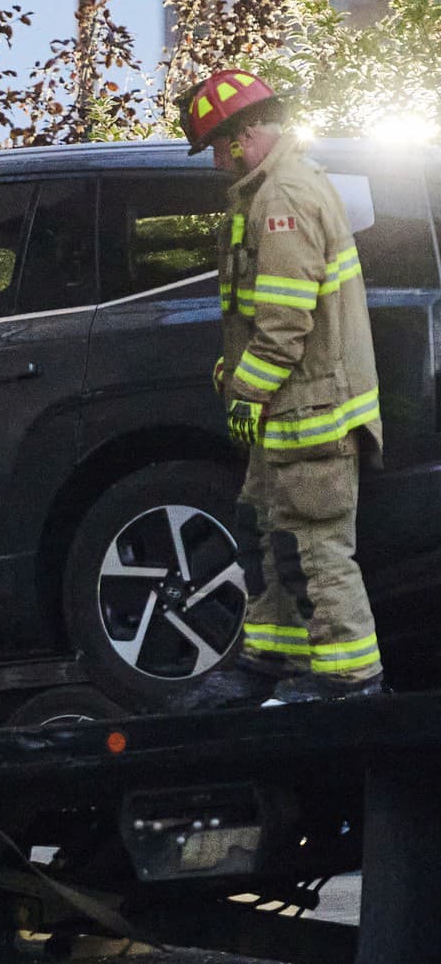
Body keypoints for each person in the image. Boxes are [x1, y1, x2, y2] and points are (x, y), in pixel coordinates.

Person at [174, 69, 384, 708]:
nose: (215, 161)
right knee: (270, 538)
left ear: (245, 136)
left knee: (316, 551)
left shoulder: (283, 198)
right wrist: (238, 378)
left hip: (310, 414)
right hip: (286, 418)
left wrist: (246, 393)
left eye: (217, 145)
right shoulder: (264, 192)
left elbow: (286, 322)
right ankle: (270, 663)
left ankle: (353, 684)